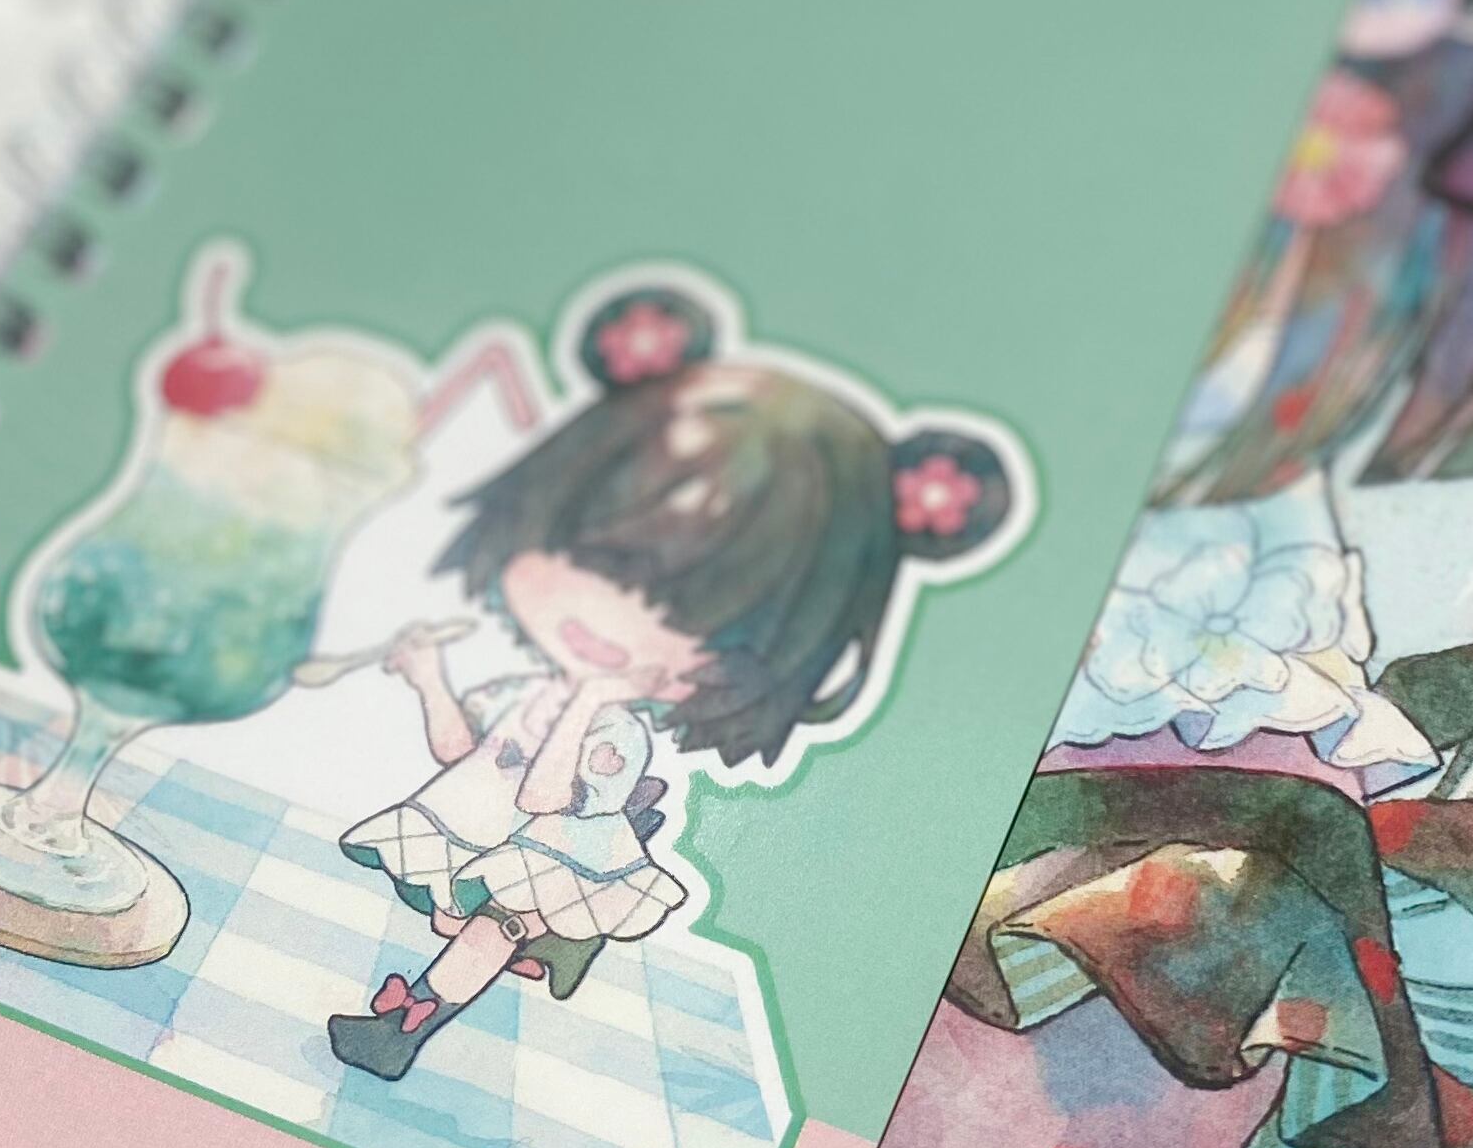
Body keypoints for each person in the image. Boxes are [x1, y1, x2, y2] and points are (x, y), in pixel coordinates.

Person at [326, 283, 1016, 1079]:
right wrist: (429, 678)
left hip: (560, 866)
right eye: (593, 554)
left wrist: (590, 699)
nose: (612, 610)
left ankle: (403, 1031)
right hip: (496, 841)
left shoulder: (615, 731)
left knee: (492, 927)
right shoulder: (523, 691)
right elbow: (463, 754)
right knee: (467, 919)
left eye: (701, 613)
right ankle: (413, 1015)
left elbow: (545, 799)